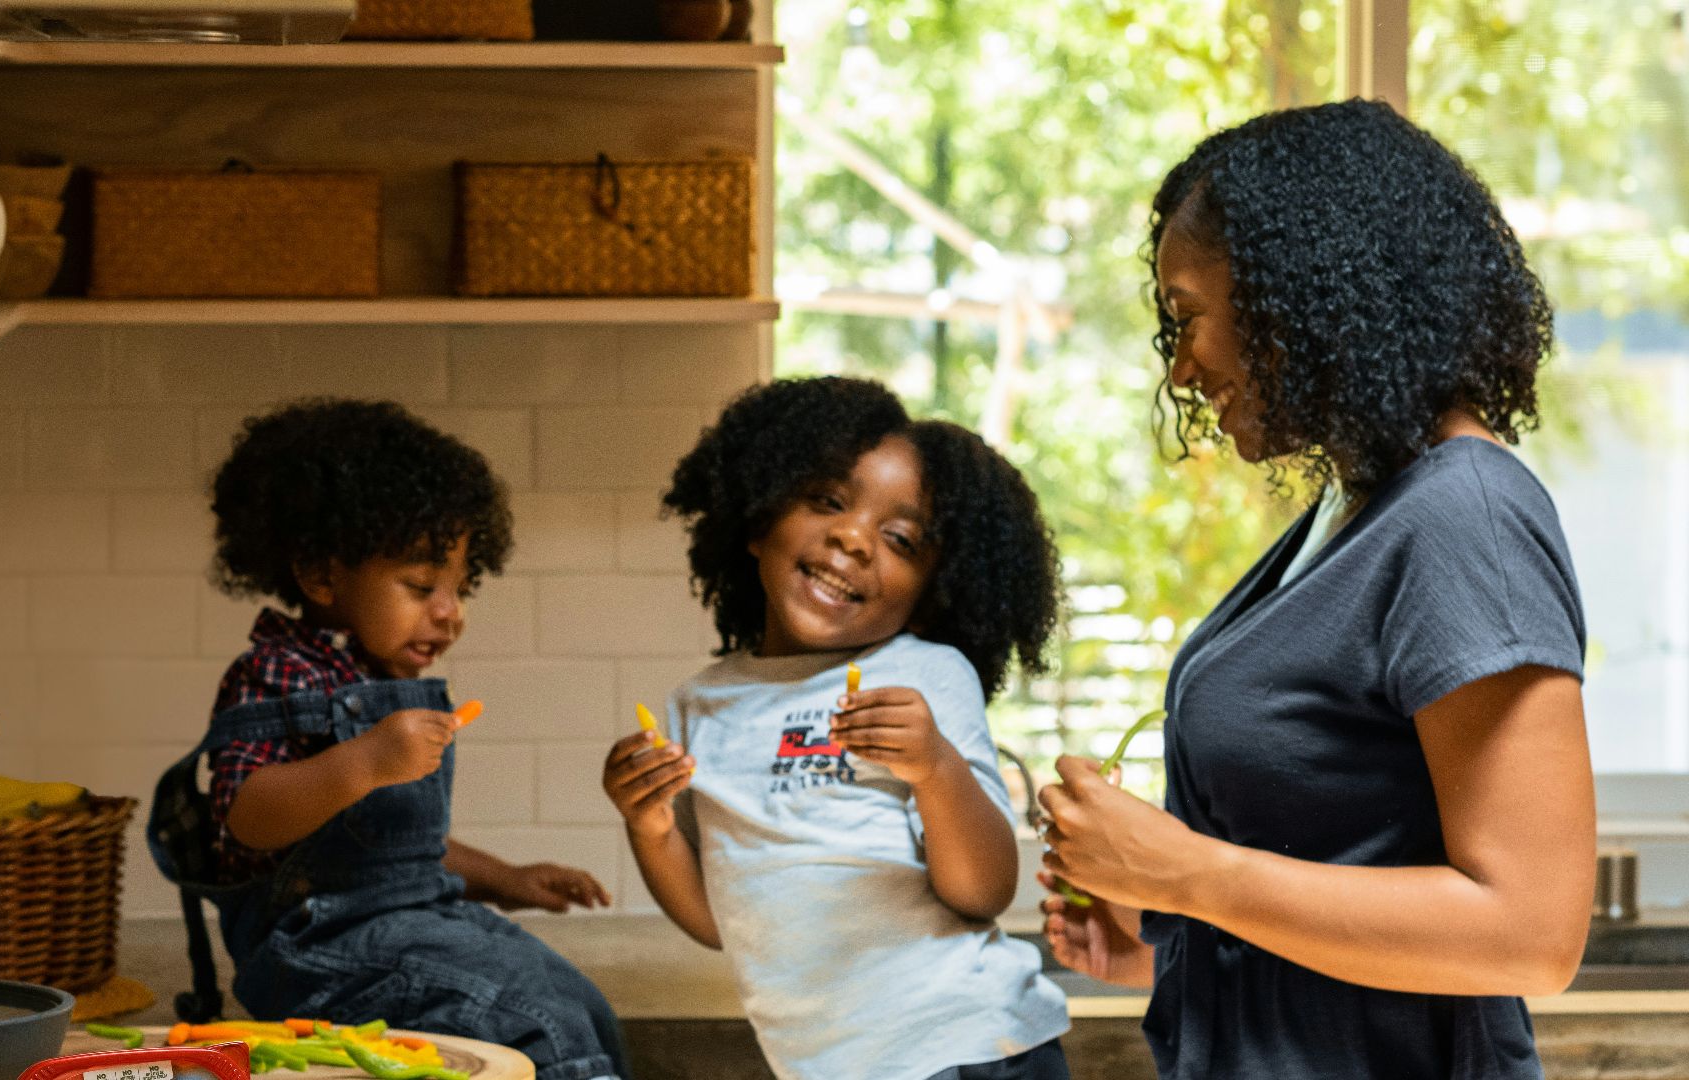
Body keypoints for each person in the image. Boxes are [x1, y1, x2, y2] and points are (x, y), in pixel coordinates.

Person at [1038, 99, 1593, 1080]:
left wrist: (1186, 875)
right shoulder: (1355, 505)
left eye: (1187, 317)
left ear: (1296, 295)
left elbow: (1530, 932)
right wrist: (1165, 942)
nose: (1181, 365)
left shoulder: (1464, 513)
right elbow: (1351, 873)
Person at [603, 376, 1071, 1080]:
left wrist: (936, 768)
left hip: (967, 1047)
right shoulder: (698, 707)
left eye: (901, 539)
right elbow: (717, 921)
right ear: (759, 519)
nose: (853, 538)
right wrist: (649, 828)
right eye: (827, 501)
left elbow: (985, 891)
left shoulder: (924, 676)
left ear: (929, 597)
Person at [147, 398, 629, 1080]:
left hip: (412, 921)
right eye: (422, 585)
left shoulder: (375, 674)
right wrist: (364, 760)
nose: (450, 613)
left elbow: (393, 845)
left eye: (461, 588)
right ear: (321, 574)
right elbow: (245, 819)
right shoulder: (280, 672)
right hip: (317, 949)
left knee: (581, 1006)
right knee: (540, 1025)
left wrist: (507, 879)